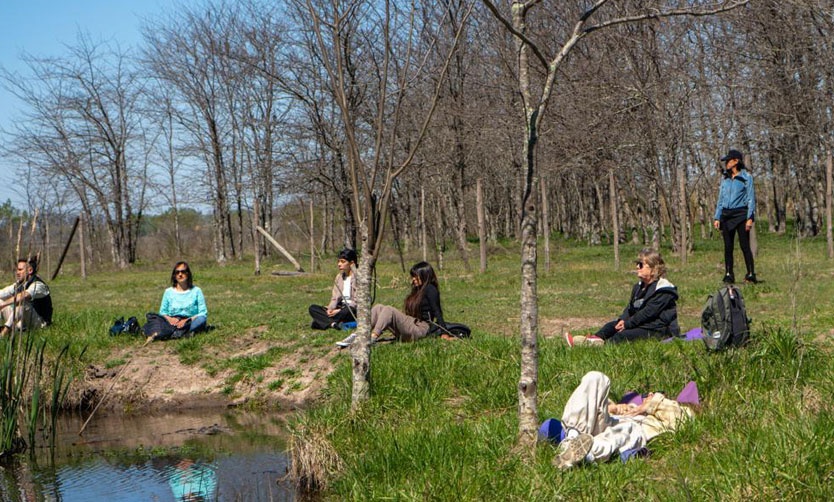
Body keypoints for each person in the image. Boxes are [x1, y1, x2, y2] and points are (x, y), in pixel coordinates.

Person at [553, 371, 693, 470]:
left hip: (633, 429)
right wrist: (612, 407)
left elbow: (682, 418)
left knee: (628, 429)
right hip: (604, 424)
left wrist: (650, 405)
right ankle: (571, 439)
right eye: (647, 394)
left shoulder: (653, 419)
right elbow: (591, 404)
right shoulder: (628, 407)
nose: (650, 394)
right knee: (596, 377)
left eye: (656, 393)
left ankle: (587, 453)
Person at [564, 249, 679, 346]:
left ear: (653, 269)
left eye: (641, 264)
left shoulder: (663, 290)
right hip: (640, 324)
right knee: (611, 326)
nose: (637, 267)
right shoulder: (638, 287)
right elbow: (630, 308)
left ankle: (600, 347)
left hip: (658, 330)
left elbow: (648, 313)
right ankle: (592, 340)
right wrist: (622, 320)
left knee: (622, 336)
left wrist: (627, 324)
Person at [336, 261, 454, 347]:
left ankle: (372, 338)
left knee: (389, 310)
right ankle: (359, 333)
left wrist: (445, 333)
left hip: (421, 329)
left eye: (415, 276)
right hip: (412, 323)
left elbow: (437, 311)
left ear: (424, 275)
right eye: (412, 276)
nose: (413, 279)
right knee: (378, 308)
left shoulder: (430, 289)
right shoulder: (418, 289)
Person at [714, 148, 757, 284]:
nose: (726, 163)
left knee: (744, 245)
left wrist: (750, 218)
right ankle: (728, 273)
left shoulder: (746, 178)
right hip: (727, 215)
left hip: (741, 214)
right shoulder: (725, 179)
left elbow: (750, 198)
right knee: (728, 246)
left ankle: (750, 274)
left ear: (736, 161)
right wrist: (717, 217)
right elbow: (721, 199)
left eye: (728, 160)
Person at [151, 261, 208, 337]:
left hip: (191, 320)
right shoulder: (168, 292)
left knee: (201, 319)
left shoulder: (196, 291)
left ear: (188, 274)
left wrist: (187, 320)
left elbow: (202, 313)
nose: (180, 274)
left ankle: (180, 331)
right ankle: (180, 332)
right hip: (173, 321)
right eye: (177, 272)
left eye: (183, 272)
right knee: (154, 317)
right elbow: (162, 312)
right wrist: (170, 319)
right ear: (174, 275)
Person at [0, 258, 53, 336]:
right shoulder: (19, 285)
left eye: (20, 270)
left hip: (39, 324)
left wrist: (3, 304)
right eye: (17, 270)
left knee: (22, 303)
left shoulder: (38, 285)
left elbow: (23, 295)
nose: (17, 272)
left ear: (30, 270)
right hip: (23, 321)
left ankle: (3, 334)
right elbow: (2, 293)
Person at [309, 248, 358, 330]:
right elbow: (335, 298)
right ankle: (333, 324)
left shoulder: (358, 277)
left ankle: (323, 322)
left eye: (342, 262)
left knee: (347, 311)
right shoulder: (339, 277)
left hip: (351, 309)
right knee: (313, 308)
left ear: (352, 263)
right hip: (339, 307)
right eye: (338, 261)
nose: (339, 264)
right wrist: (330, 309)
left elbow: (357, 302)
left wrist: (339, 311)